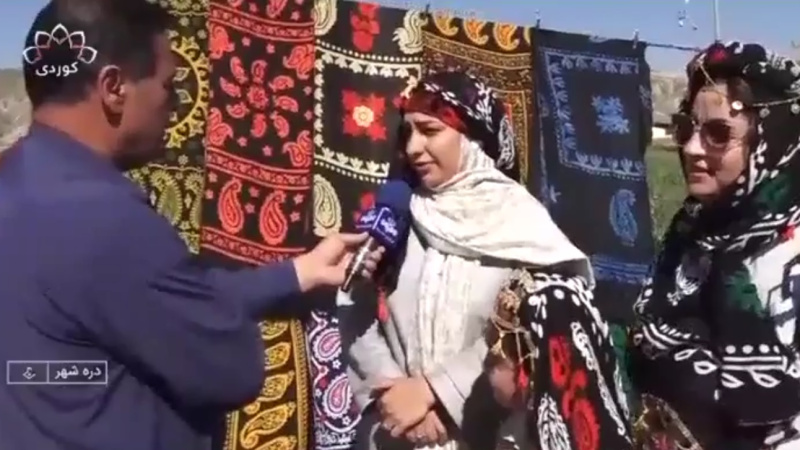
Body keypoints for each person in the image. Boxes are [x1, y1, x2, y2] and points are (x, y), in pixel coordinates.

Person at [0, 1, 380, 449]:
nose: (176, 104)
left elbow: (151, 301)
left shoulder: (16, 180)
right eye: (168, 85)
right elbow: (230, 370)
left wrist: (297, 274)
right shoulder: (107, 218)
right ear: (114, 88)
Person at [341, 71, 631, 450]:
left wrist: (438, 393)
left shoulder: (523, 225)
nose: (412, 147)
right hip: (396, 433)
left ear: (472, 138)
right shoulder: (395, 217)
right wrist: (393, 394)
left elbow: (537, 334)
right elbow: (355, 306)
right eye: (407, 132)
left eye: (429, 131)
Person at [628, 41, 800, 450]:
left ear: (770, 141)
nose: (691, 149)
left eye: (719, 134)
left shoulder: (788, 256)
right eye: (687, 128)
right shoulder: (689, 234)